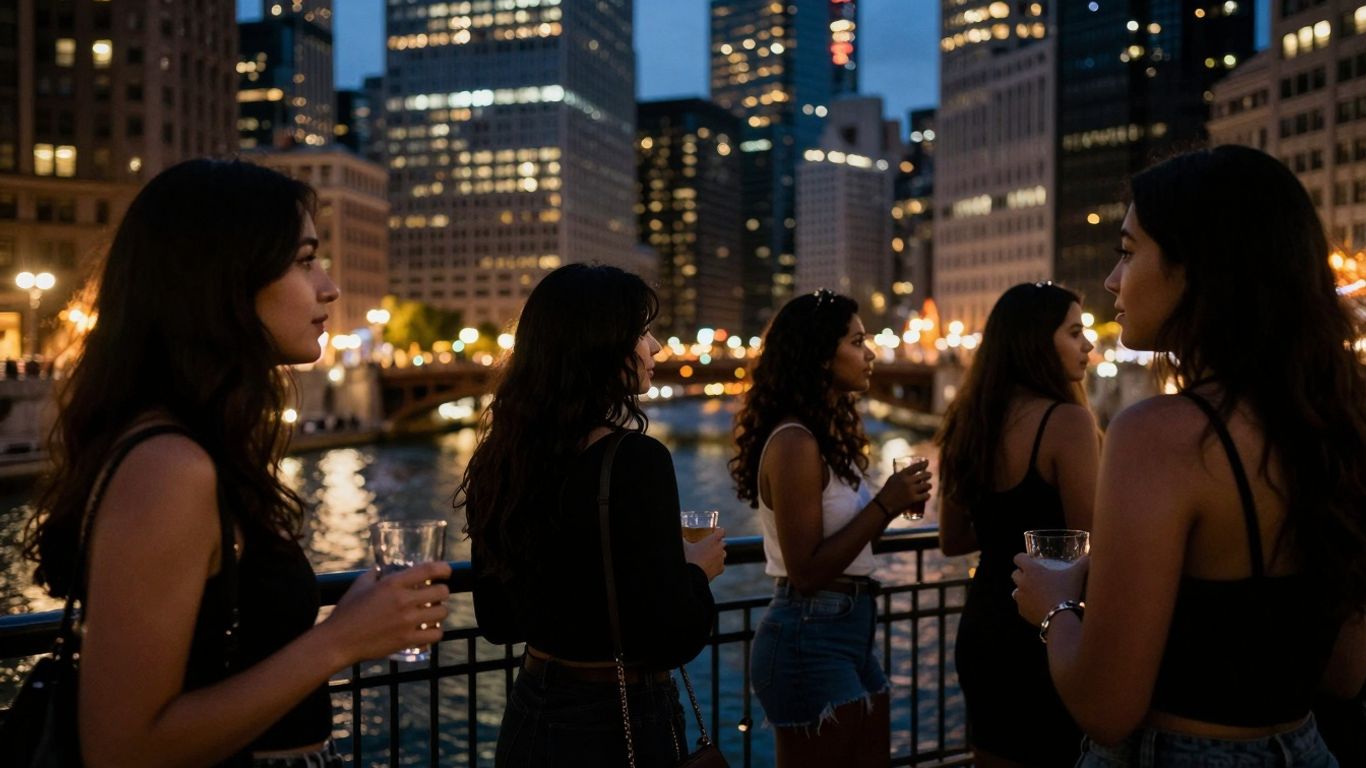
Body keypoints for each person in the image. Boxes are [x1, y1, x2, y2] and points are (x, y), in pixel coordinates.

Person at [22, 158, 452, 767]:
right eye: (304, 261)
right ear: (224, 281)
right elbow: (122, 749)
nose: (329, 286)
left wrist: (351, 620)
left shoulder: (200, 444)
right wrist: (340, 641)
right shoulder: (170, 466)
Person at [1012, 145, 1366, 766]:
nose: (1112, 280)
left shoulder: (1159, 435)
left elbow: (1105, 708)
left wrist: (1055, 607)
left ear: (1198, 267)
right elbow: (1346, 672)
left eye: (1128, 252)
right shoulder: (1335, 425)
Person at [461, 263, 725, 767]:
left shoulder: (501, 457)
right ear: (600, 346)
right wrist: (696, 571)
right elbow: (674, 638)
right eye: (642, 332)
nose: (656, 347)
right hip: (616, 721)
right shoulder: (636, 460)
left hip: (530, 716)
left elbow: (496, 620)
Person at [729, 288, 933, 768]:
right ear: (821, 356)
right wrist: (884, 502)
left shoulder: (825, 439)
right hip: (808, 634)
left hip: (848, 628)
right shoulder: (794, 443)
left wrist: (889, 507)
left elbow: (851, 548)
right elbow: (805, 571)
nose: (871, 354)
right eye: (857, 342)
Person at [935, 282, 1100, 767]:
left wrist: (1006, 528)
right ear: (1036, 341)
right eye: (1075, 332)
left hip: (984, 625)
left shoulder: (969, 421)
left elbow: (952, 539)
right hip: (1049, 627)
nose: (1088, 345)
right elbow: (1093, 542)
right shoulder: (1067, 422)